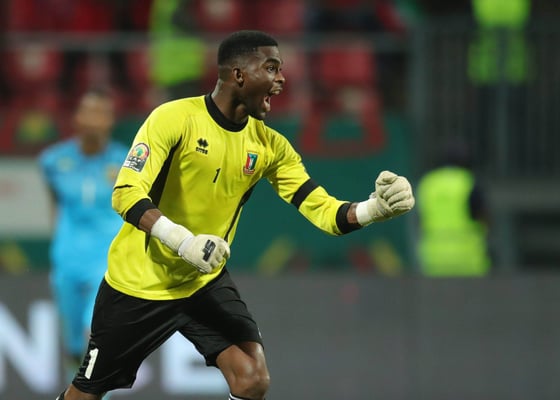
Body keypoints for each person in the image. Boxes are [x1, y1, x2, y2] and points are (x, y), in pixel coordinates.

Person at [54, 30, 415, 400]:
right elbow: (125, 193)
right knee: (85, 394)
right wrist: (184, 242)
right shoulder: (173, 118)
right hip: (138, 283)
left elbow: (326, 213)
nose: (281, 79)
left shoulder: (271, 146)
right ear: (239, 74)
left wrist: (374, 209)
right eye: (271, 68)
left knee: (252, 378)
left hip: (202, 281)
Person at [38, 88, 128, 382]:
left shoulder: (126, 162)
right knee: (73, 346)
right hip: (68, 260)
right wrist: (59, 244)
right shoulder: (53, 161)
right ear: (76, 118)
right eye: (88, 111)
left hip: (106, 261)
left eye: (101, 113)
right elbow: (55, 204)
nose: (93, 119)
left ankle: (98, 395)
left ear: (111, 120)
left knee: (97, 336)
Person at [416, 140, 491, 276]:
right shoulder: (469, 182)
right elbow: (483, 218)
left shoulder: (428, 183)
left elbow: (420, 218)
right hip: (468, 260)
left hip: (434, 260)